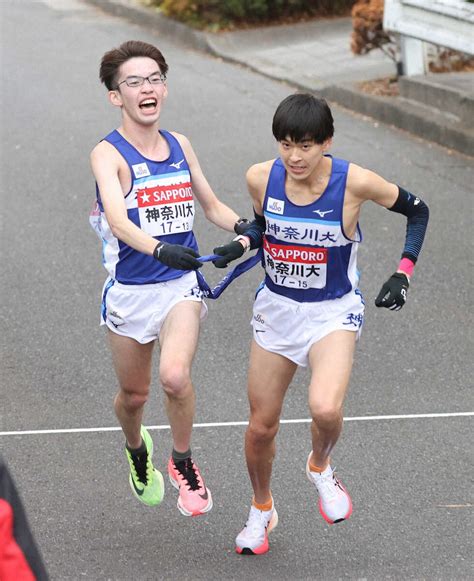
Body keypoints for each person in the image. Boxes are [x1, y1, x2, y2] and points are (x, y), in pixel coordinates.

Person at [213, 93, 429, 554]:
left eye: (306, 145)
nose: (295, 156)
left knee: (325, 409)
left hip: (332, 311)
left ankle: (319, 466)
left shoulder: (356, 183)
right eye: (286, 144)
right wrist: (242, 243)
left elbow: (418, 210)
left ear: (326, 142)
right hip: (278, 310)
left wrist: (402, 272)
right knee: (260, 427)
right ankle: (261, 509)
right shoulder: (259, 177)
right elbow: (260, 226)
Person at [89, 40, 249, 517]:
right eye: (134, 82)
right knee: (133, 396)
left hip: (181, 286)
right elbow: (118, 221)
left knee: (175, 377)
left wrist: (244, 229)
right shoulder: (106, 154)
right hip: (131, 292)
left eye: (155, 79)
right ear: (116, 96)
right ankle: (137, 450)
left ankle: (182, 461)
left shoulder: (180, 144)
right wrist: (159, 248)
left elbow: (212, 205)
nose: (147, 88)